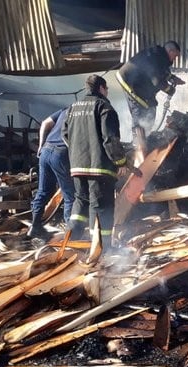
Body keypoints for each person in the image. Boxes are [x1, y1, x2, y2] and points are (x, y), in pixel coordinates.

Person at [62, 74, 128, 251]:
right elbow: (110, 139)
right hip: (100, 169)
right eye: (106, 89)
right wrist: (121, 162)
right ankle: (101, 249)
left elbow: (65, 134)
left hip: (77, 167)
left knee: (81, 202)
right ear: (101, 88)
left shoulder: (73, 107)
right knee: (100, 207)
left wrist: (78, 153)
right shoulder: (104, 107)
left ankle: (71, 242)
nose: (107, 92)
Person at [116, 40, 185, 154]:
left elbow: (161, 72)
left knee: (151, 106)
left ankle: (146, 137)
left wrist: (173, 78)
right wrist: (170, 90)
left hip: (141, 83)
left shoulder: (161, 56)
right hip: (129, 81)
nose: (175, 59)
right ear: (170, 51)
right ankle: (137, 147)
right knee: (139, 108)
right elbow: (156, 80)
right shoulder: (156, 57)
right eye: (175, 55)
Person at [27, 108, 75, 240]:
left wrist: (40, 145)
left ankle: (35, 227)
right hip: (61, 153)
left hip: (46, 151)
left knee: (43, 191)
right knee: (70, 195)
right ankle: (70, 235)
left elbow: (45, 123)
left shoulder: (66, 109)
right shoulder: (86, 111)